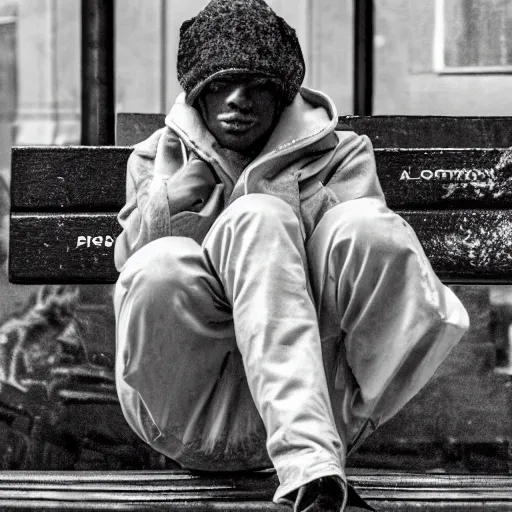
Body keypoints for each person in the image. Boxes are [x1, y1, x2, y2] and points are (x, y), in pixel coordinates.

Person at [113, 1, 470, 510]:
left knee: (361, 226)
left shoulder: (341, 155)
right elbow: (131, 281)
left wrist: (274, 212)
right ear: (197, 94)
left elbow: (374, 270)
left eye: (257, 84)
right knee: (168, 258)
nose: (238, 101)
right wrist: (168, 203)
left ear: (282, 95)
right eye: (219, 85)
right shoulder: (158, 158)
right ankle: (310, 466)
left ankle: (308, 462)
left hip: (326, 403)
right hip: (192, 410)